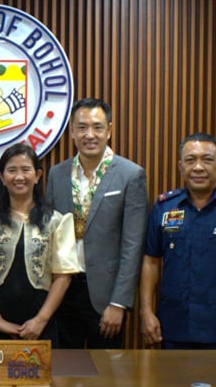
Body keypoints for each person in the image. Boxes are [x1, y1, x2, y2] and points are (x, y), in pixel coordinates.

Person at [140, 133, 216, 349]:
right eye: (190, 160)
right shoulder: (164, 207)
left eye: (207, 160)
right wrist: (146, 312)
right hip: (174, 326)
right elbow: (151, 262)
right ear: (181, 167)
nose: (198, 167)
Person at [46, 97, 147, 349]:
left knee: (106, 370)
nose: (89, 135)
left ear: (109, 130)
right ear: (72, 131)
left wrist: (119, 303)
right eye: (82, 127)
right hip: (62, 290)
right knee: (64, 367)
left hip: (106, 295)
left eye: (97, 127)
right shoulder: (57, 174)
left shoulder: (130, 175)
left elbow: (133, 245)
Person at [0, 143, 80, 345]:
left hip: (42, 324)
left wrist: (40, 321)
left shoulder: (57, 221)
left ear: (38, 175)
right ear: (1, 177)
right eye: (12, 170)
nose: (19, 177)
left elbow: (63, 276)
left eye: (26, 169)